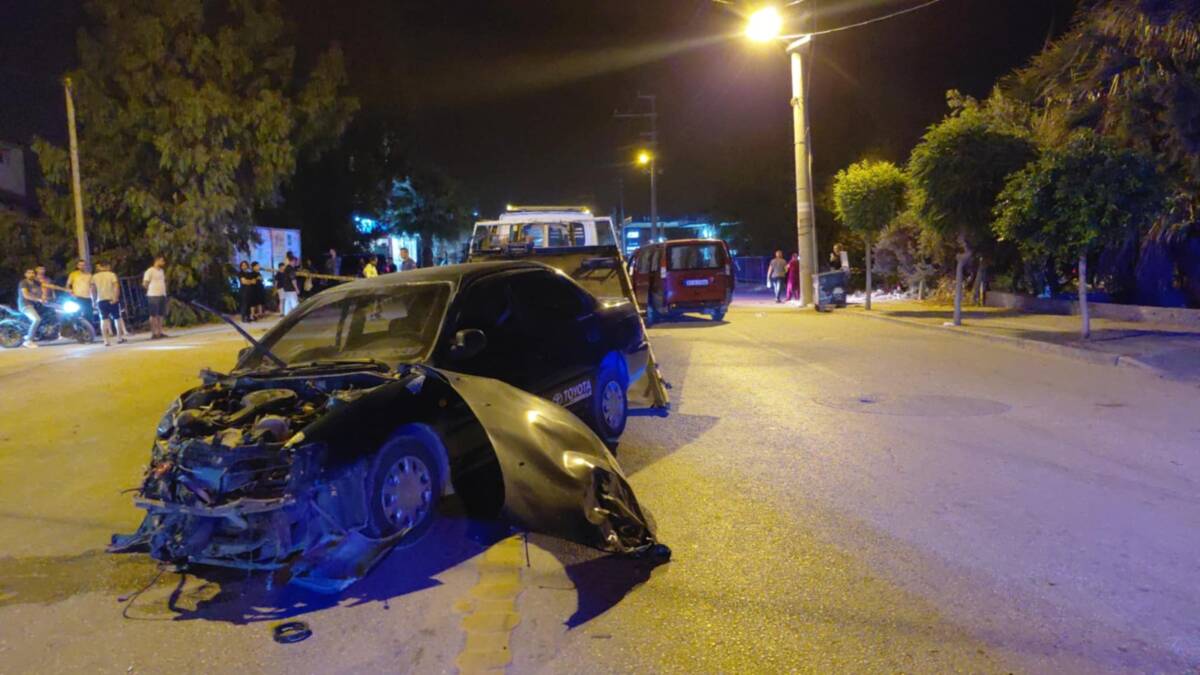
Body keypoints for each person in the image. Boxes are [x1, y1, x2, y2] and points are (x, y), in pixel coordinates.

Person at [92, 261, 128, 346]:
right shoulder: (111, 275)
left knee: (104, 319)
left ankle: (106, 340)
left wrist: (93, 301)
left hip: (100, 300)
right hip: (111, 299)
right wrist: (116, 297)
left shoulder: (95, 277)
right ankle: (119, 338)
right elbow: (116, 286)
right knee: (117, 318)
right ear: (107, 266)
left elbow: (93, 290)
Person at [142, 256, 169, 339]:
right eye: (162, 261)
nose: (163, 263)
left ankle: (160, 332)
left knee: (161, 314)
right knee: (153, 315)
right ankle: (154, 333)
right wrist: (150, 290)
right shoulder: (150, 271)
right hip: (153, 295)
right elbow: (145, 283)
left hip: (162, 294)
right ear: (157, 261)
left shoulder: (161, 271)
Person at [16, 269, 44, 348]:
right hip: (25, 305)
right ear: (25, 274)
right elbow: (26, 295)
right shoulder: (23, 283)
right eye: (29, 273)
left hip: (35, 305)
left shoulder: (36, 283)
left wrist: (64, 289)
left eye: (33, 273)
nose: (31, 274)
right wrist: (38, 299)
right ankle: (28, 341)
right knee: (36, 319)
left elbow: (47, 286)